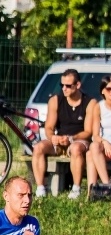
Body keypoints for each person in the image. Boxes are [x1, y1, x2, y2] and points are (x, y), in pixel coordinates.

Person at [31, 69, 96, 199]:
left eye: (68, 86)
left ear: (77, 85)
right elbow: (49, 127)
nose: (64, 89)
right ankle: (40, 189)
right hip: (60, 139)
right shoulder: (55, 100)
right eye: (62, 85)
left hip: (78, 139)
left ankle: (76, 189)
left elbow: (88, 132)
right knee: (38, 147)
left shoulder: (89, 102)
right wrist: (53, 137)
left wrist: (72, 138)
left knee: (76, 148)